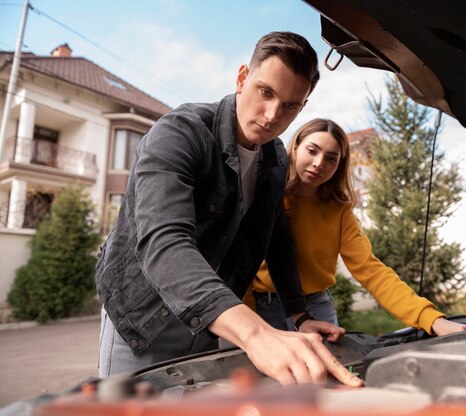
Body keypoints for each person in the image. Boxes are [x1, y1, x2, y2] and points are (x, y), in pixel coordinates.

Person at [95, 32, 362, 387]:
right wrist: (255, 334)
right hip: (145, 319)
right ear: (241, 78)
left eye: (290, 106)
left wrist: (298, 314)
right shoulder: (179, 133)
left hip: (213, 319)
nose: (271, 115)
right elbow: (164, 241)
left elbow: (276, 236)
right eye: (266, 92)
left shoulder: (276, 157)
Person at [249, 118, 466, 336]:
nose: (319, 163)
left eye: (331, 159)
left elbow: (371, 270)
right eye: (312, 151)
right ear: (295, 148)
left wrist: (431, 320)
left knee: (328, 372)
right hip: (263, 307)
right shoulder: (264, 192)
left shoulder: (339, 212)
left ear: (339, 166)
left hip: (316, 307)